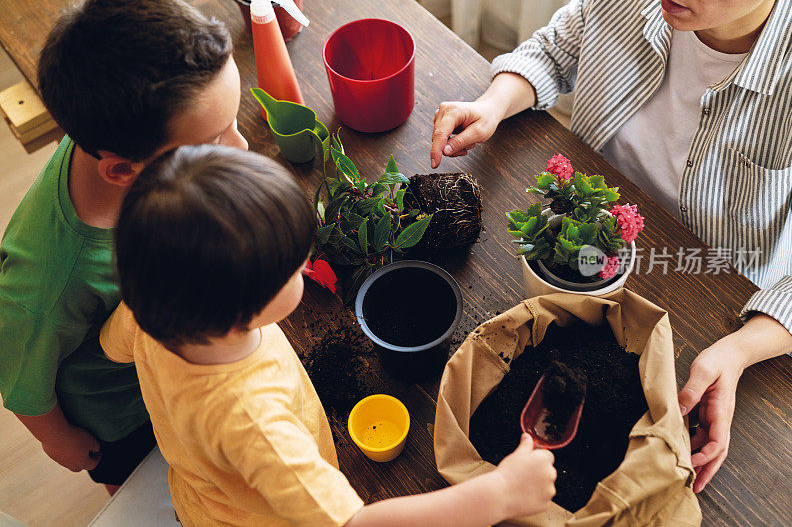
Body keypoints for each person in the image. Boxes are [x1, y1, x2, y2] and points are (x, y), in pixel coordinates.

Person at [429, 0, 792, 493]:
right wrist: (492, 104)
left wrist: (737, 351)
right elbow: (554, 50)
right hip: (582, 239)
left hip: (703, 291)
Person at [99, 144, 557, 527]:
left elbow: (109, 346)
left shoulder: (154, 303)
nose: (307, 265)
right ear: (244, 305)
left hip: (202, 493)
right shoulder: (254, 423)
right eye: (296, 266)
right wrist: (500, 493)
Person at [0, 0, 247, 494]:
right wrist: (59, 441)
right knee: (138, 487)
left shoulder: (124, 139)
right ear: (121, 170)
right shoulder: (50, 281)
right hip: (115, 414)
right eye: (216, 140)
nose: (240, 147)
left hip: (160, 365)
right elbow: (20, 380)